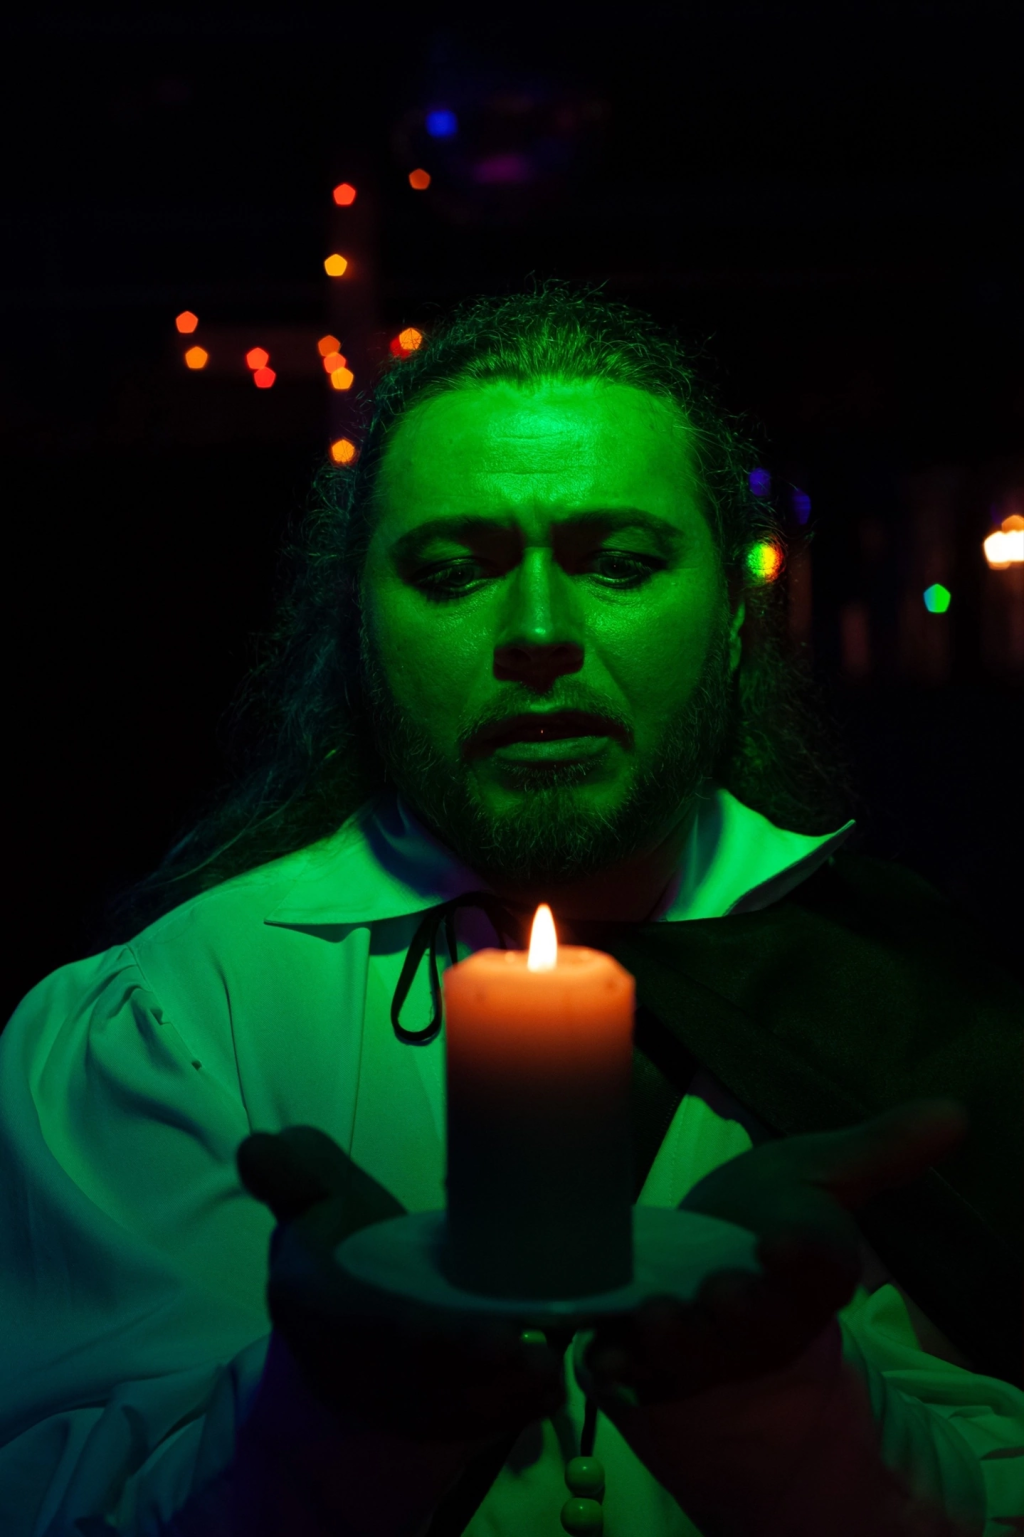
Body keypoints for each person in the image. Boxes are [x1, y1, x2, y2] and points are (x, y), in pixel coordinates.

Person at [1, 281, 1021, 1537]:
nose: (537, 631)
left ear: (732, 615)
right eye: (453, 571)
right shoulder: (176, 1024)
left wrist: (779, 1402)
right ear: (358, 626)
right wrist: (331, 1415)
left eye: (618, 563)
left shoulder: (921, 1007)